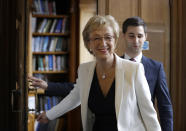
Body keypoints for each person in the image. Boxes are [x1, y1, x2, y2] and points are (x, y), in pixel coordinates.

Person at [32, 15, 161, 131]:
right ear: (88, 43)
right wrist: (49, 115)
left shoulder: (134, 69)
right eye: (96, 38)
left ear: (115, 40)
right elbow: (75, 97)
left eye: (108, 37)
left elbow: (148, 113)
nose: (103, 43)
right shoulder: (84, 70)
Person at [120, 16, 173, 131]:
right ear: (123, 36)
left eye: (140, 36)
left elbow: (165, 106)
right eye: (131, 36)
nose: (136, 41)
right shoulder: (114, 65)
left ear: (145, 37)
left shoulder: (156, 68)